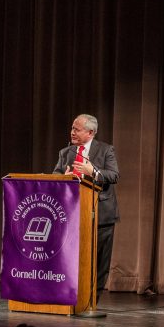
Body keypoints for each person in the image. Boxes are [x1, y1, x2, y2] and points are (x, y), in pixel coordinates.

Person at [53, 114, 120, 290]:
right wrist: (63, 178)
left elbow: (114, 176)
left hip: (101, 215)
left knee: (99, 262)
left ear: (90, 132)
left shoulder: (106, 150)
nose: (72, 132)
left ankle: (92, 302)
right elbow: (55, 176)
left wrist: (94, 171)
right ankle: (73, 296)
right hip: (71, 216)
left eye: (77, 129)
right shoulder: (65, 153)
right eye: (72, 129)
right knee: (73, 259)